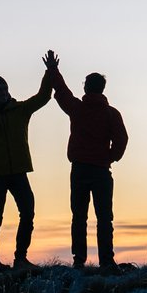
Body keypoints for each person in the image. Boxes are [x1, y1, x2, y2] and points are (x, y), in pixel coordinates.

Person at [43, 50, 129, 273]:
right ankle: (106, 261)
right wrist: (109, 158)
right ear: (102, 88)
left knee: (79, 216)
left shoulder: (77, 109)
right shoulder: (111, 114)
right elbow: (121, 140)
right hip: (101, 171)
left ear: (85, 87)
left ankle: (79, 260)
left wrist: (53, 70)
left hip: (80, 170)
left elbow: (61, 92)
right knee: (104, 218)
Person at [0, 66, 53, 271]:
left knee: (28, 212)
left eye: (5, 88)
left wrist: (50, 72)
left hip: (19, 172)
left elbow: (43, 97)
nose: (3, 92)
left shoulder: (21, 110)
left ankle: (21, 258)